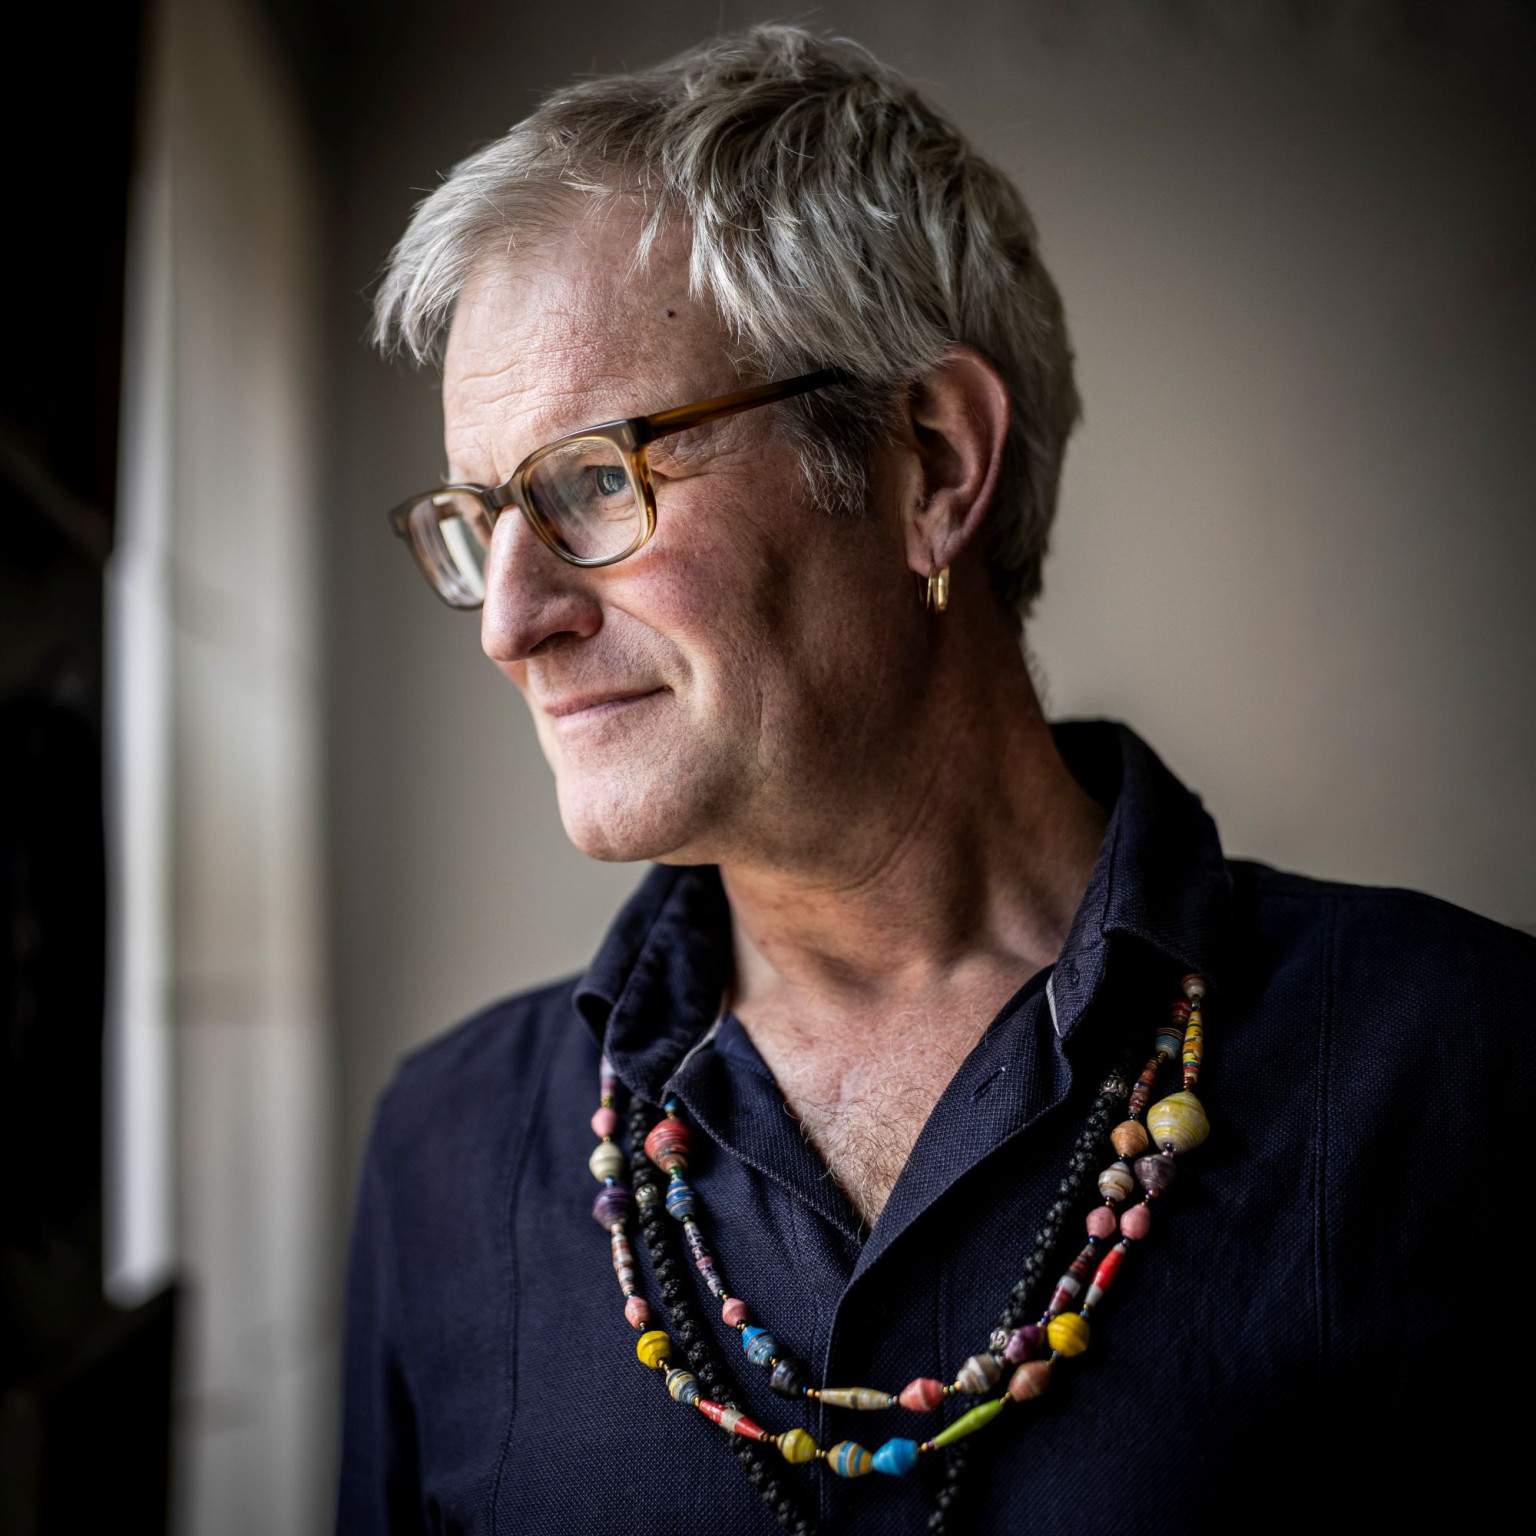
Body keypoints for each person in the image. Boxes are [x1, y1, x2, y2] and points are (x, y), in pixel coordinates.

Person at [338, 25, 1529, 1535]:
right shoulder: (447, 1152)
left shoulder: (1465, 1076)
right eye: (477, 519)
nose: (509, 621)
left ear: (931, 463)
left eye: (591, 480)